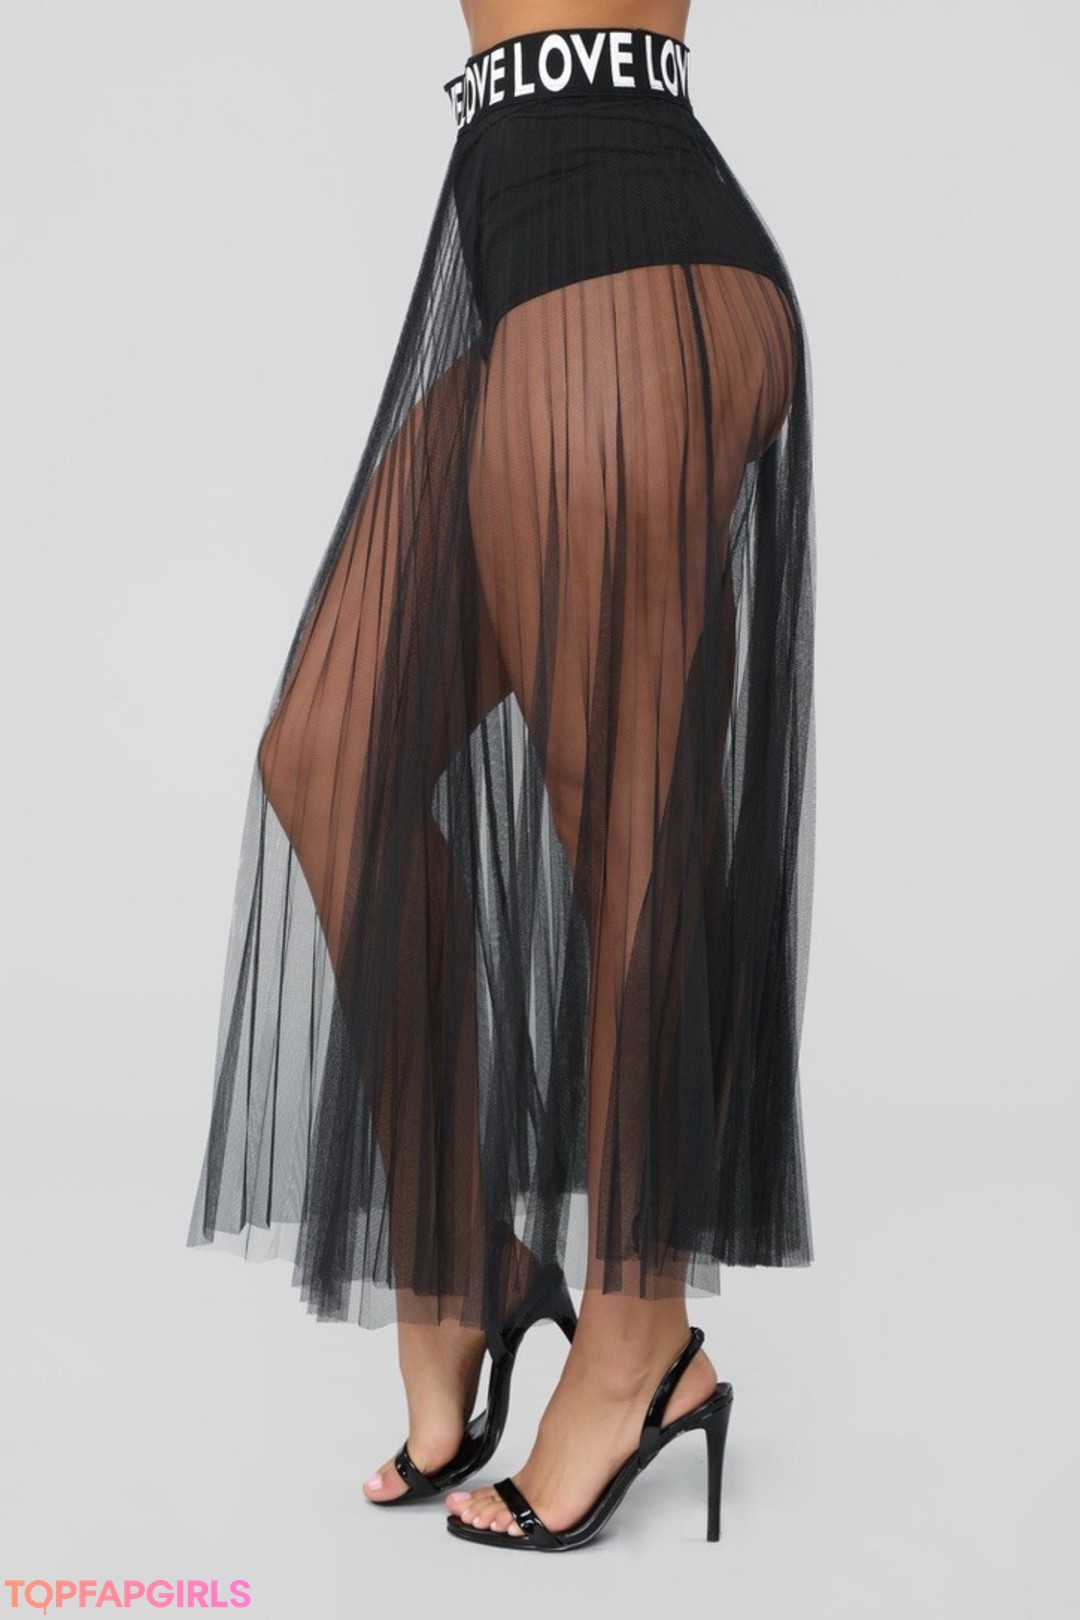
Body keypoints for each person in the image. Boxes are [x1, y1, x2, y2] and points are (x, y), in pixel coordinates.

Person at [187, 0, 816, 1550]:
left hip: (627, 262)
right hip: (534, 247)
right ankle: (468, 1255)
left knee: (626, 834)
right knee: (330, 756)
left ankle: (642, 1342)